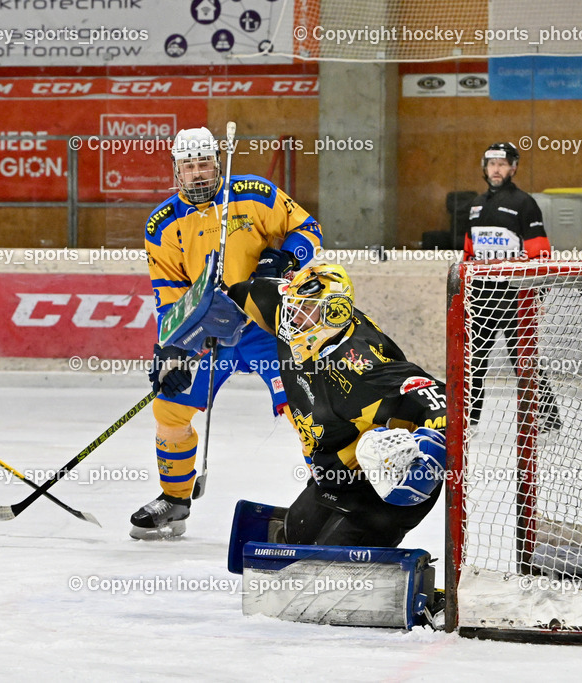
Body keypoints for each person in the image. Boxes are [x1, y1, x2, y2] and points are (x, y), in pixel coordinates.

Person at [130, 126, 323, 540]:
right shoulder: (162, 224)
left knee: (302, 409)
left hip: (266, 324)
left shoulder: (254, 194)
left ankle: (329, 494)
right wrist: (171, 349)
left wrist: (283, 258)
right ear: (176, 170)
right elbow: (169, 293)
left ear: (218, 164)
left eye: (204, 164)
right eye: (189, 166)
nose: (198, 173)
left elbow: (310, 232)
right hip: (207, 331)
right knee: (170, 410)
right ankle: (175, 499)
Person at [222, 264, 447, 546]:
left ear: (335, 313)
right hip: (334, 473)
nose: (292, 318)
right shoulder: (287, 316)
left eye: (304, 310)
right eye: (293, 307)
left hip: (385, 484)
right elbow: (243, 292)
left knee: (329, 570)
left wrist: (430, 458)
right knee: (294, 540)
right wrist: (213, 311)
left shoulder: (359, 363)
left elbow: (439, 400)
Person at [464, 142, 560, 432]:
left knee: (523, 359)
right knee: (474, 360)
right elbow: (469, 254)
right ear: (485, 168)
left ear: (513, 168)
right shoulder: (476, 205)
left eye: (503, 164)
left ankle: (547, 418)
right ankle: (470, 421)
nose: (496, 169)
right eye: (492, 164)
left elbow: (540, 253)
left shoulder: (524, 203)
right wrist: (467, 292)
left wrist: (538, 295)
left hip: (516, 295)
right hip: (482, 295)